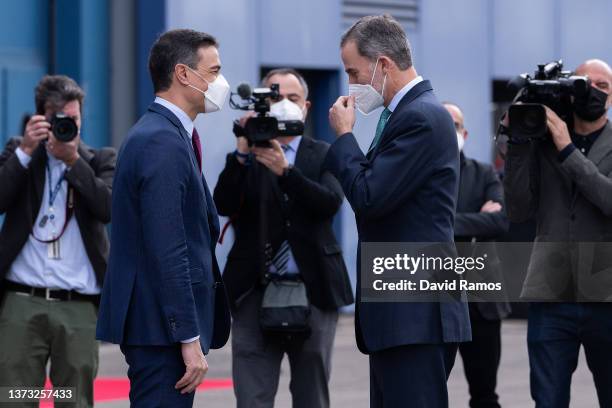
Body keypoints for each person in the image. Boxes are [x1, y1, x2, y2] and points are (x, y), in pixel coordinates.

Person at [325, 14, 471, 408]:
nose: (351, 84)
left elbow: (369, 196)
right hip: (401, 313)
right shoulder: (406, 116)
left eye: (354, 72)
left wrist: (343, 138)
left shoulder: (421, 117)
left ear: (383, 64)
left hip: (415, 314)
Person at [96, 29, 230, 408]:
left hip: (158, 327)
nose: (221, 82)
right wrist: (187, 337)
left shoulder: (170, 134)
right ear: (184, 74)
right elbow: (168, 247)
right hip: (160, 331)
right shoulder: (161, 140)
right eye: (214, 71)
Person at [213, 68, 354, 408]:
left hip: (314, 287)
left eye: (292, 99)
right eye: (276, 99)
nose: (285, 105)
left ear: (305, 106)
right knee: (252, 397)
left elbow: (329, 203)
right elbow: (223, 204)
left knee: (311, 396)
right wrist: (242, 153)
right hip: (252, 290)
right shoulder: (249, 154)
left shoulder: (323, 154)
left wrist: (286, 174)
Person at [0, 75, 116, 407]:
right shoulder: (20, 155)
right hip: (22, 301)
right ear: (40, 119)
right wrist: (24, 152)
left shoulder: (99, 160)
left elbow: (107, 207)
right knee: (14, 399)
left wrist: (72, 161)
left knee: (73, 400)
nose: (68, 125)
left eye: (74, 119)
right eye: (59, 119)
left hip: (77, 305)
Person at [503, 59, 612, 407]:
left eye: (603, 85)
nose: (593, 90)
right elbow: (518, 210)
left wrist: (567, 149)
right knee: (547, 400)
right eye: (586, 81)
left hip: (607, 295)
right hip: (551, 292)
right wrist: (519, 142)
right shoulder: (543, 139)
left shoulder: (560, 142)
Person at [444, 102, 510, 408]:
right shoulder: (418, 175)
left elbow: (500, 221)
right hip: (433, 296)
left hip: (481, 301)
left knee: (485, 395)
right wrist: (474, 223)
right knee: (425, 388)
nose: (450, 131)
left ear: (465, 133)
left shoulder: (483, 173)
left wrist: (446, 224)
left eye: (455, 125)